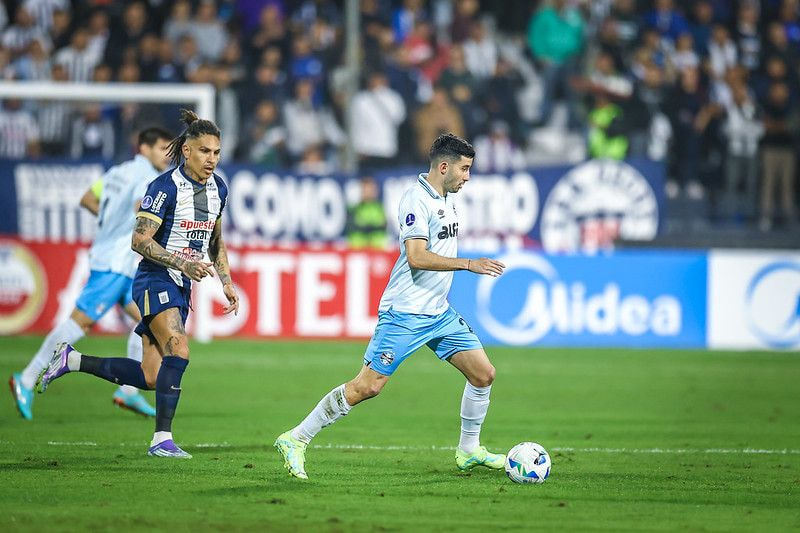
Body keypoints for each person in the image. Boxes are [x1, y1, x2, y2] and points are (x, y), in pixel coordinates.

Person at [275, 133, 507, 480]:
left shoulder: (445, 197)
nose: (467, 176)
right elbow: (416, 257)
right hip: (406, 313)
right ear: (444, 167)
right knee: (367, 386)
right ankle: (296, 437)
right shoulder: (416, 200)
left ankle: (469, 449)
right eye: (464, 169)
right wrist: (467, 263)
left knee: (483, 373)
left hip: (439, 313)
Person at [37, 110, 239, 459]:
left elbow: (215, 240)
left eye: (217, 152)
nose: (212, 159)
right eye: (205, 151)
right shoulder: (163, 188)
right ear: (187, 151)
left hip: (181, 284)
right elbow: (139, 239)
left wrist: (227, 281)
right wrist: (181, 262)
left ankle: (71, 360)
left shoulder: (219, 188)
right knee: (179, 349)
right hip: (153, 278)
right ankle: (162, 439)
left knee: (149, 376)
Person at [9, 127, 173, 420]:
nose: (167, 154)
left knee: (148, 319)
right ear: (144, 149)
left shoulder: (117, 172)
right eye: (162, 147)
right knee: (80, 323)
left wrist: (112, 222)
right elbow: (140, 206)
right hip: (115, 263)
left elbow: (87, 198)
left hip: (112, 256)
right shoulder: (146, 176)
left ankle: (128, 391)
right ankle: (25, 379)